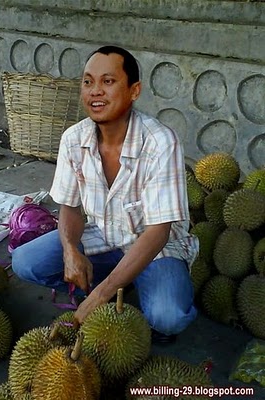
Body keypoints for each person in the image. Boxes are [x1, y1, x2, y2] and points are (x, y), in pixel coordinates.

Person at [12, 45, 199, 342]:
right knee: (25, 261)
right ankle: (115, 285)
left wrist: (99, 295)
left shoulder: (161, 142)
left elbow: (158, 233)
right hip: (104, 235)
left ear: (134, 91)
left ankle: (129, 289)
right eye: (88, 82)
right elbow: (70, 208)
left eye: (108, 82)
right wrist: (71, 250)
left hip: (154, 248)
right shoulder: (74, 139)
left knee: (168, 317)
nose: (95, 91)